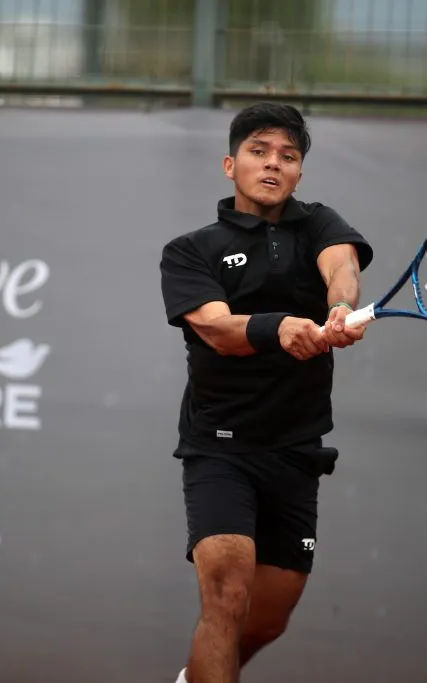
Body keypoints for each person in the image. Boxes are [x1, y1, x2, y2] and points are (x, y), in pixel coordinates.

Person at [158, 102, 374, 683]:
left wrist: (339, 307)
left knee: (267, 619)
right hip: (220, 449)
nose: (273, 165)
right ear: (231, 164)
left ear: (300, 172)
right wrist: (278, 328)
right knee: (227, 598)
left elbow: (342, 266)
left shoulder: (320, 225)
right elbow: (215, 328)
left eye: (289, 156)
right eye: (259, 151)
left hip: (295, 450)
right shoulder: (190, 250)